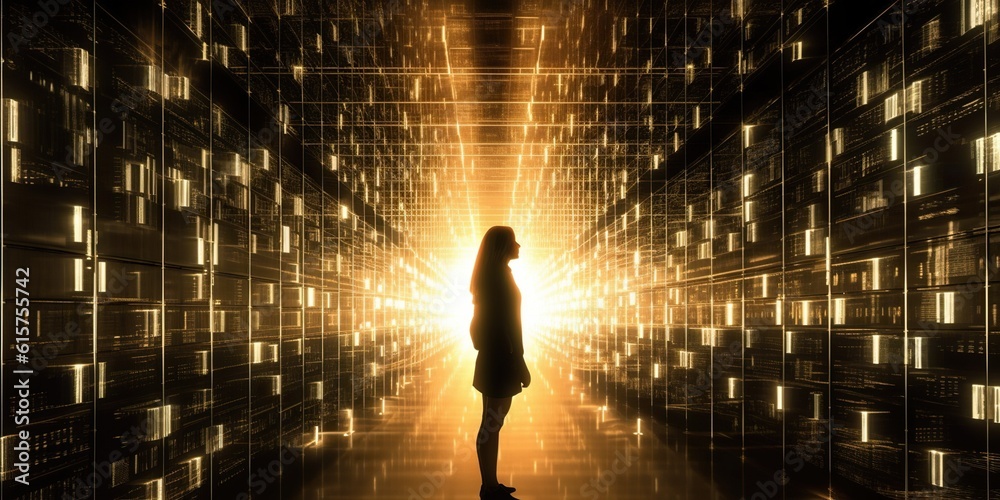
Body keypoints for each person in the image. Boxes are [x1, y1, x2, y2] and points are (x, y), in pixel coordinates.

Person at [470, 226, 531, 500]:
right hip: (501, 358)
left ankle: (490, 485)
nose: (519, 245)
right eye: (513, 241)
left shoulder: (496, 276)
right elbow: (509, 325)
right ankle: (490, 489)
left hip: (496, 357)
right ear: (502, 247)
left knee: (491, 422)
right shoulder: (498, 279)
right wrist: (519, 360)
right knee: (492, 423)